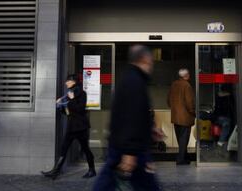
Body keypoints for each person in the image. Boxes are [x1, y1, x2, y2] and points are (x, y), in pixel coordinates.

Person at [93, 45, 162, 191]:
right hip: (131, 149)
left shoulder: (130, 78)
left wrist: (150, 128)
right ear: (143, 60)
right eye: (150, 62)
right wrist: (130, 152)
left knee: (107, 184)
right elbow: (131, 116)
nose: (151, 66)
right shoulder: (134, 82)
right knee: (147, 185)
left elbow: (135, 114)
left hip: (124, 146)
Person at [41, 74, 96, 180]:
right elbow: (67, 112)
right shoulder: (69, 94)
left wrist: (72, 100)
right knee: (64, 148)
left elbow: (80, 109)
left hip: (81, 128)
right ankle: (55, 172)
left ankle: (92, 170)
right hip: (71, 127)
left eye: (68, 81)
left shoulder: (82, 94)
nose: (66, 83)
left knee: (85, 149)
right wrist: (59, 106)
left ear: (73, 82)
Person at [167, 68, 195, 165]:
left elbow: (168, 100)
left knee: (180, 139)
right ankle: (181, 160)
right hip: (185, 117)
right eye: (189, 74)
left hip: (175, 117)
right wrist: (193, 113)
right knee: (184, 139)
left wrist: (175, 109)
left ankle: (185, 158)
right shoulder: (187, 86)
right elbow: (189, 103)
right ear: (186, 76)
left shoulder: (174, 84)